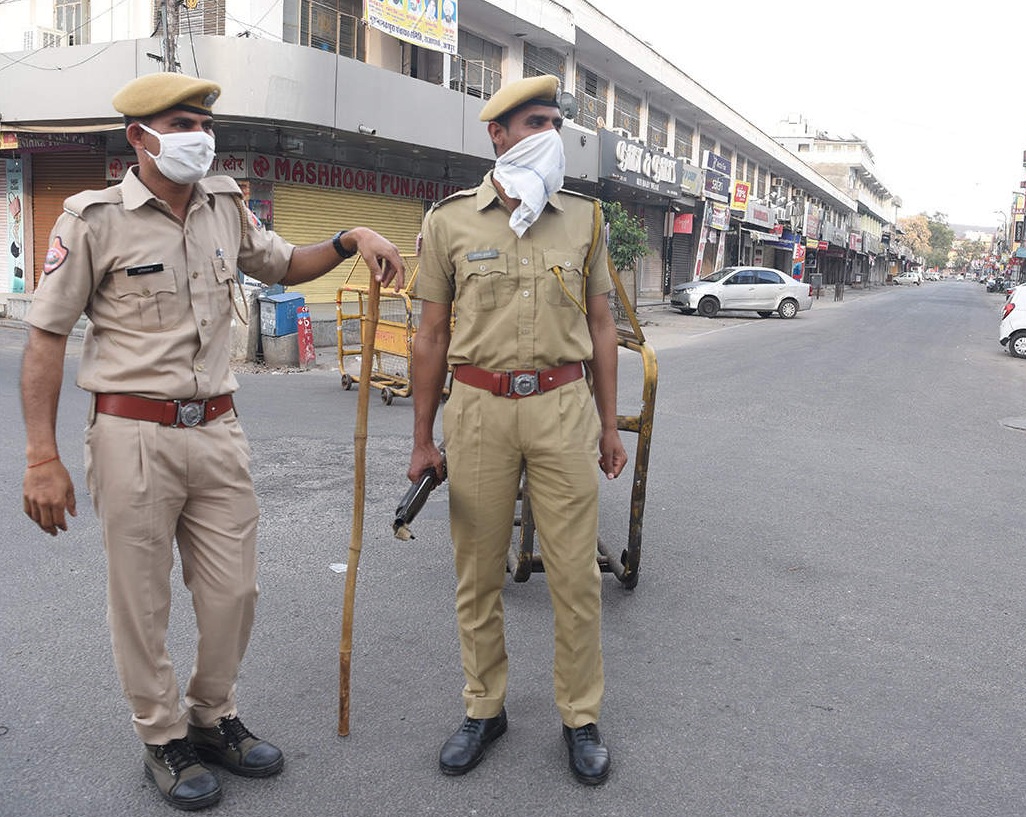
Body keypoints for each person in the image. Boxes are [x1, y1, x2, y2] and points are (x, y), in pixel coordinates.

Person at [20, 72, 406, 811]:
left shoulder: (225, 204)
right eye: (183, 121)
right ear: (138, 135)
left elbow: (283, 264)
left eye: (205, 122)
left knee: (234, 591)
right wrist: (43, 455)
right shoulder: (91, 217)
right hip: (132, 431)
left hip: (219, 429)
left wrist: (349, 237)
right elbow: (45, 338)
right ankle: (162, 736)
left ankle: (212, 714)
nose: (201, 134)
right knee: (142, 600)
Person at [408, 74, 628, 785]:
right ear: (496, 136)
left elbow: (601, 325)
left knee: (574, 575)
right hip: (476, 409)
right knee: (477, 571)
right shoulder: (448, 221)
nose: (549, 135)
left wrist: (608, 425)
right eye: (533, 122)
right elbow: (430, 335)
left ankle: (580, 715)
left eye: (554, 123)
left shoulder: (584, 219)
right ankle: (484, 705)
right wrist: (422, 437)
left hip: (563, 406)